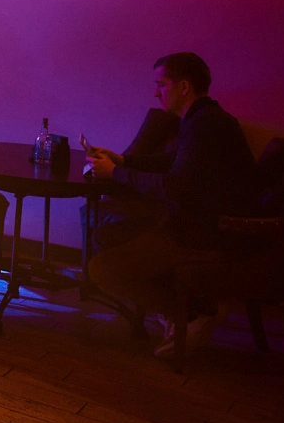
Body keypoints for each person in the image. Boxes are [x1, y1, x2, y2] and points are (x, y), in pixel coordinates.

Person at [86, 52, 261, 358]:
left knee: (102, 270)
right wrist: (123, 161)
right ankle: (186, 306)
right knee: (105, 236)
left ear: (183, 87)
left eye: (161, 84)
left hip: (203, 236)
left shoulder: (206, 125)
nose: (156, 92)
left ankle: (193, 311)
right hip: (197, 226)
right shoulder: (204, 119)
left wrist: (115, 173)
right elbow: (172, 163)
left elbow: (175, 188)